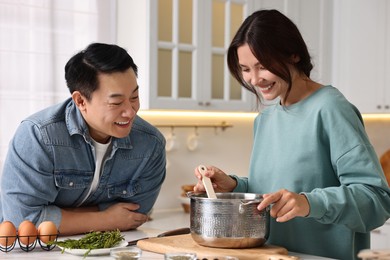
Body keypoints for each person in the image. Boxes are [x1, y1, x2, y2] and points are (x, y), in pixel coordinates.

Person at [193, 9, 390, 260]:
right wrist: (233, 186)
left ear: (294, 55)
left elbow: (376, 199)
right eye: (245, 69)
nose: (254, 79)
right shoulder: (265, 119)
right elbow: (270, 193)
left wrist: (309, 203)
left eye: (262, 66)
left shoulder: (330, 108)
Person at [0, 43, 166, 235]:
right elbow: (21, 220)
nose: (130, 111)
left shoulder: (150, 144)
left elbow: (136, 214)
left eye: (134, 97)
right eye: (116, 102)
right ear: (80, 101)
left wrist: (55, 215)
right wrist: (106, 219)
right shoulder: (39, 136)